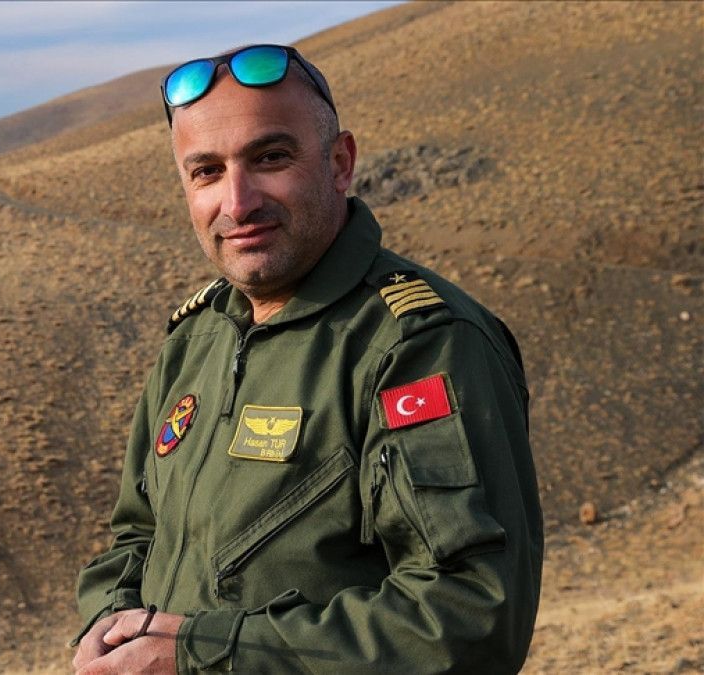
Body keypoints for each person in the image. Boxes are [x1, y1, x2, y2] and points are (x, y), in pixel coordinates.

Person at [71, 44, 543, 674]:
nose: (238, 202)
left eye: (270, 158)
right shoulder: (196, 340)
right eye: (206, 172)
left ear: (339, 163)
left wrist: (200, 654)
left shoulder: (418, 345)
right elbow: (136, 536)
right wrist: (108, 625)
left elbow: (468, 617)